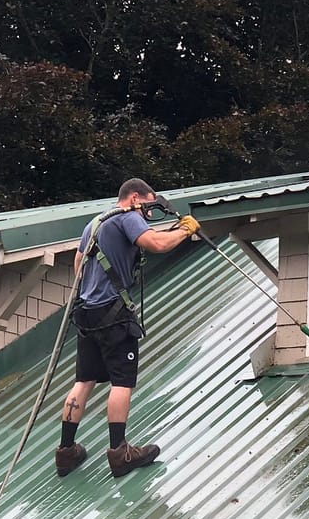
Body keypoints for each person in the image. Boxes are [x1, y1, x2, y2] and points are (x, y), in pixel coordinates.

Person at [55, 178, 200, 478]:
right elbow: (157, 244)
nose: (147, 215)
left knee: (84, 380)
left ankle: (66, 451)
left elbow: (78, 262)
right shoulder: (128, 217)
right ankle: (120, 453)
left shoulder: (94, 223)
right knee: (122, 382)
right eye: (147, 207)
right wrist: (186, 229)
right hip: (114, 315)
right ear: (135, 198)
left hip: (88, 314)